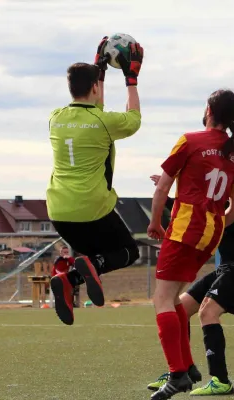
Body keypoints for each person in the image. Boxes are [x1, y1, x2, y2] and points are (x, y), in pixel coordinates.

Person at [146, 89, 234, 399]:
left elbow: (163, 186)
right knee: (174, 300)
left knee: (161, 300)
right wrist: (214, 224)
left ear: (208, 110)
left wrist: (155, 223)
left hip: (183, 229)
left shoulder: (190, 140)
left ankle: (177, 374)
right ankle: (188, 367)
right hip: (211, 233)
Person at [47, 37, 144, 326]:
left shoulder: (55, 118)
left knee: (94, 255)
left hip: (59, 212)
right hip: (92, 208)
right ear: (94, 88)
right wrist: (131, 79)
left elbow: (93, 109)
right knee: (128, 252)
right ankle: (85, 269)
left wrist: (98, 71)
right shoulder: (104, 122)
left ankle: (67, 281)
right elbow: (134, 119)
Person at [147, 188, 234, 396]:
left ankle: (221, 380)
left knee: (207, 313)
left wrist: (167, 200)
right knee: (180, 307)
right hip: (229, 266)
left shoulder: (229, 194)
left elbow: (203, 217)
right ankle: (181, 371)